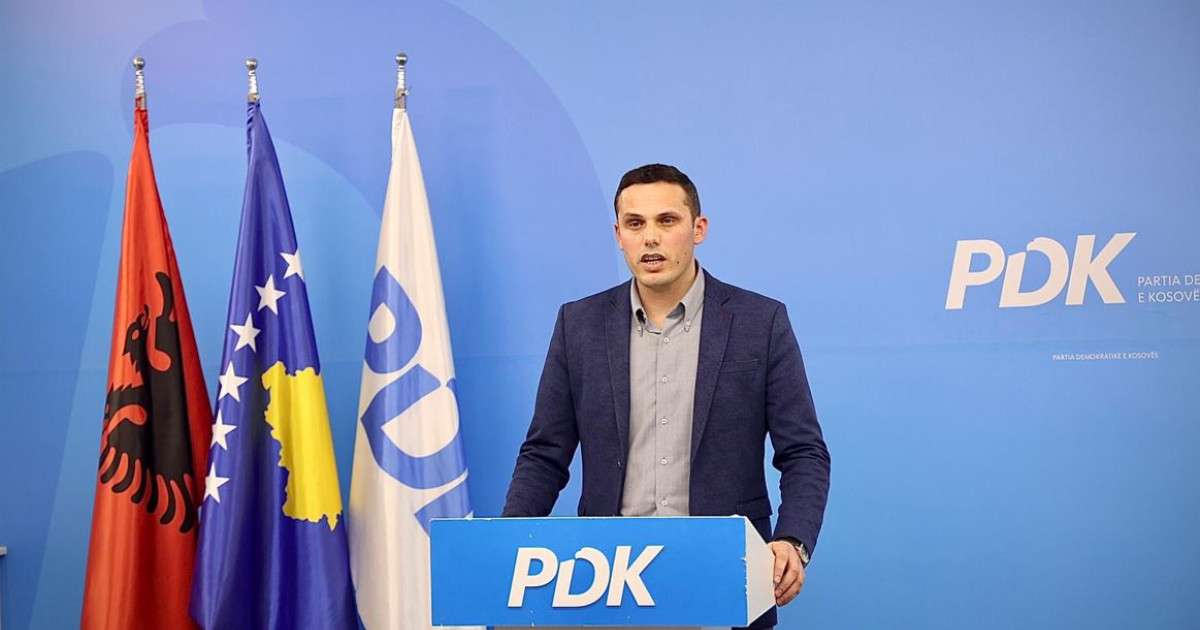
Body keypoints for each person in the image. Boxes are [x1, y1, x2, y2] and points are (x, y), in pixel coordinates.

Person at [502, 163, 831, 629]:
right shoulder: (579, 325)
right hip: (606, 586)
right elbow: (544, 454)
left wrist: (791, 541)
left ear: (699, 228)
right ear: (618, 235)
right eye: (635, 224)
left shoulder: (760, 322)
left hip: (727, 578)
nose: (650, 238)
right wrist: (506, 544)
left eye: (667, 221)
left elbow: (803, 452)